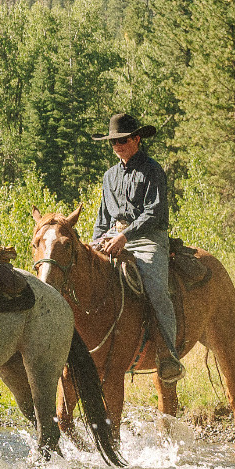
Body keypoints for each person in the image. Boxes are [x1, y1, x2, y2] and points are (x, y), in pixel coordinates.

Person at [88, 113, 185, 382]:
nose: (117, 146)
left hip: (148, 238)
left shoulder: (152, 170)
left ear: (137, 139)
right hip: (112, 235)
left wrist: (125, 237)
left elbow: (154, 213)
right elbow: (102, 219)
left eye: (123, 140)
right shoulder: (109, 176)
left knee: (155, 286)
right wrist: (95, 244)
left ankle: (168, 353)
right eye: (113, 142)